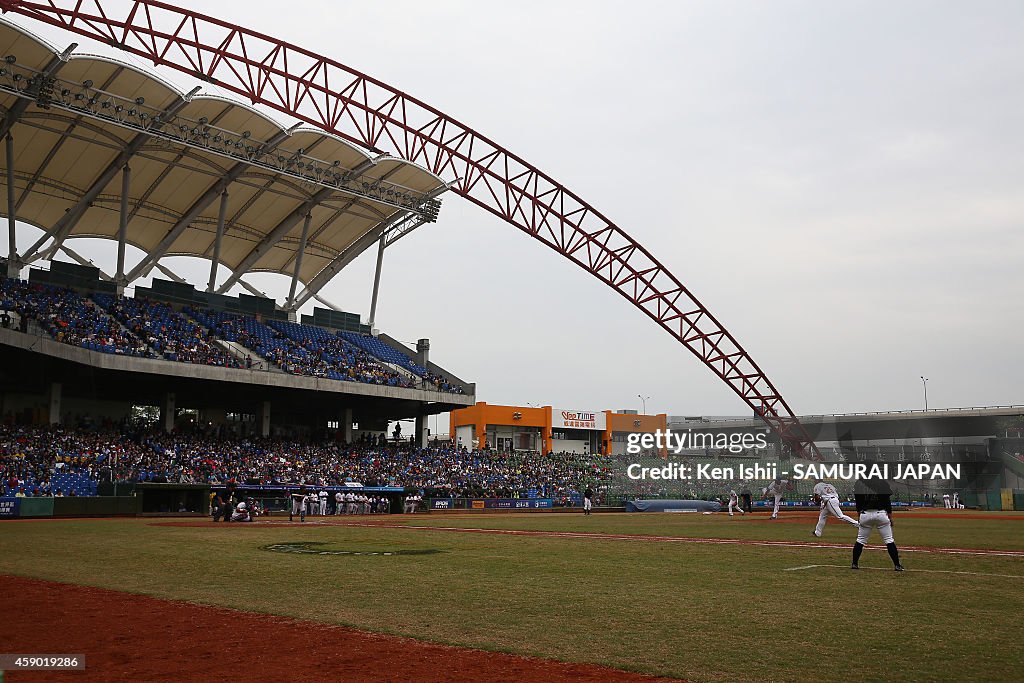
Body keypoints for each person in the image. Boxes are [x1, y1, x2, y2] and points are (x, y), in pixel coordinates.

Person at [852, 475, 904, 571]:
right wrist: (890, 517)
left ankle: (854, 563)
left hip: (865, 514)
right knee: (889, 540)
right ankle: (897, 565)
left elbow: (858, 502)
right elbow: (887, 501)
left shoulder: (859, 483)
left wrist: (859, 515)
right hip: (881, 514)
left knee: (860, 540)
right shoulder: (882, 482)